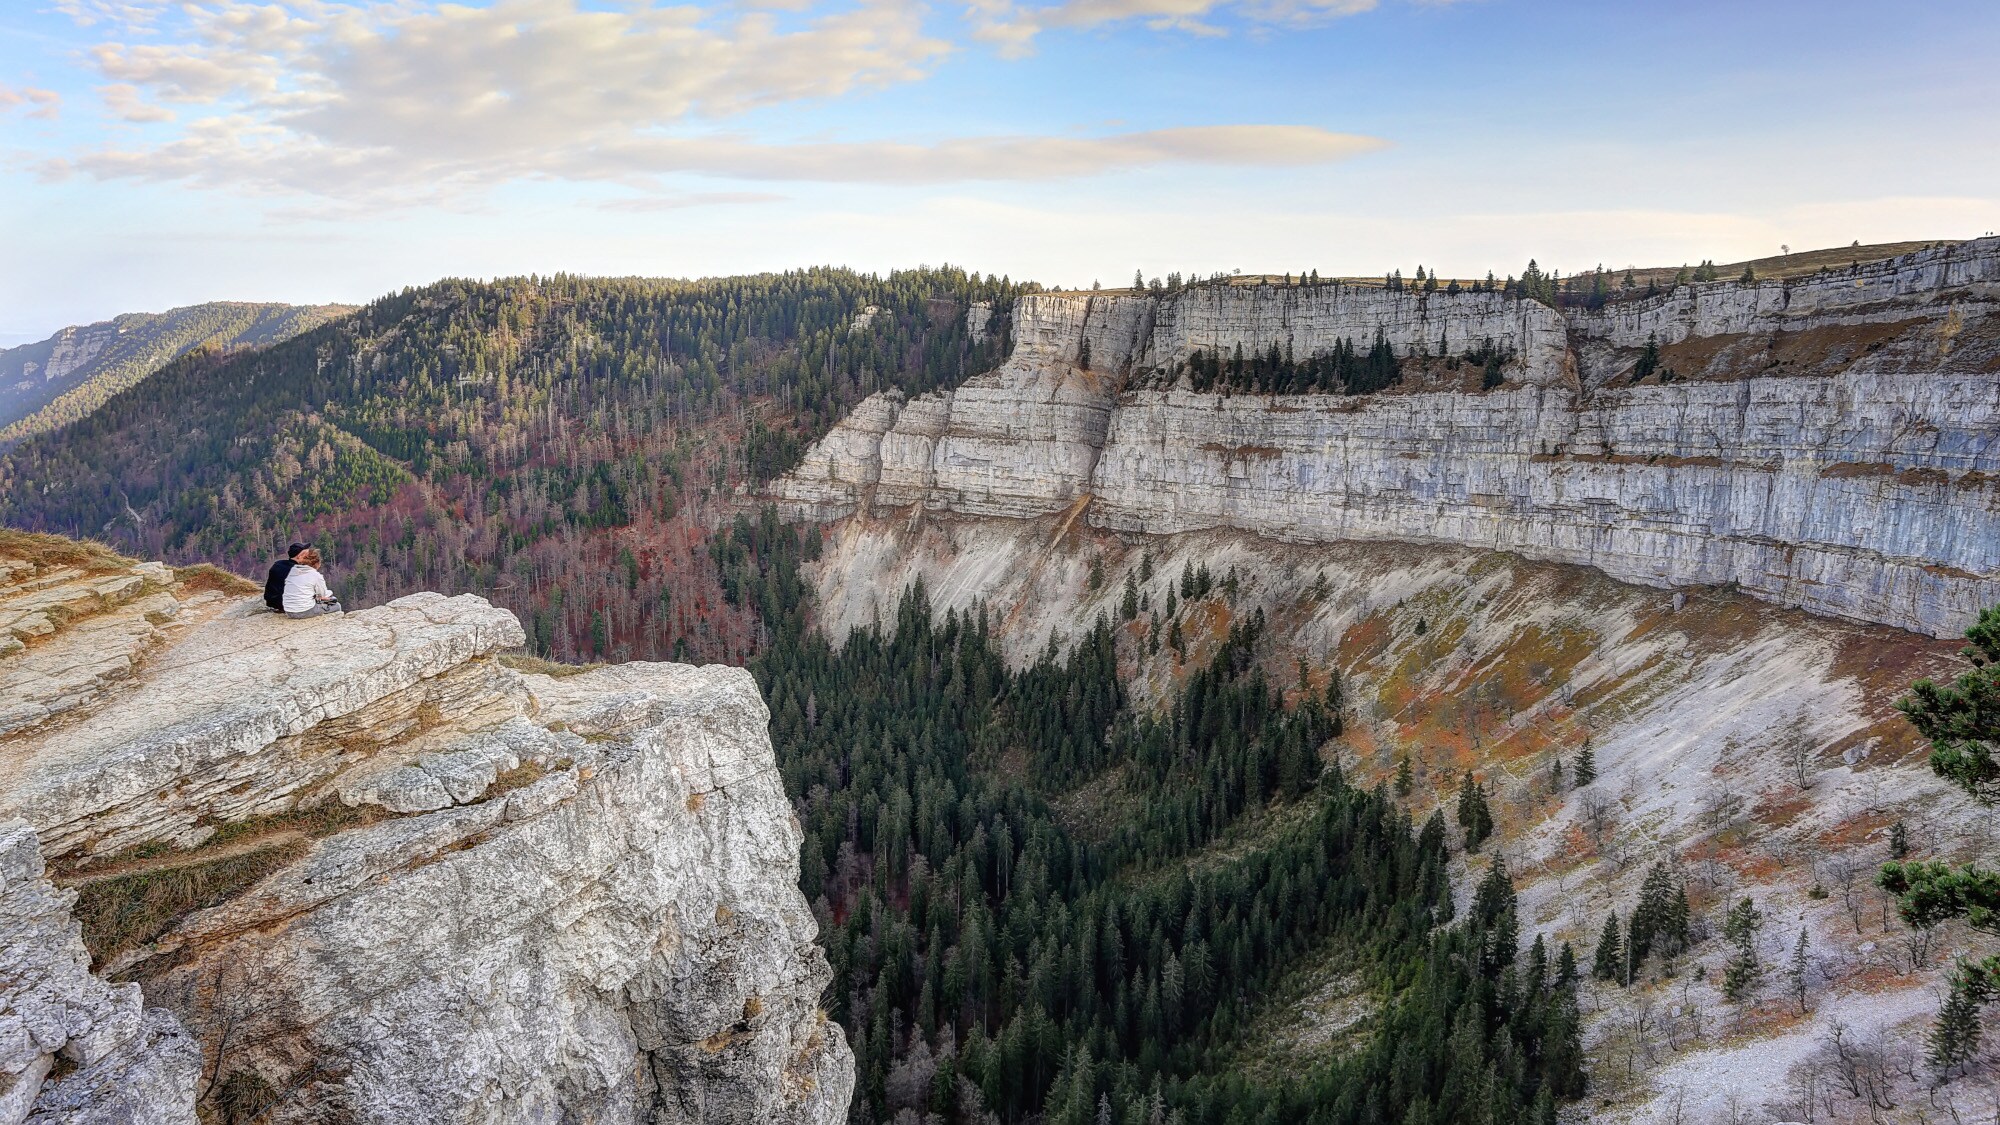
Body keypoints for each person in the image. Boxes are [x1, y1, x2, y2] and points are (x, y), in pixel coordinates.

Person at [282, 548, 342, 618]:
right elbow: (322, 595)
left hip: (288, 611)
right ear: (317, 563)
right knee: (337, 605)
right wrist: (330, 593)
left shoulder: (293, 571)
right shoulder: (316, 575)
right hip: (304, 611)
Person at [263, 542, 309, 612]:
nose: (308, 557)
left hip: (271, 601)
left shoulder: (278, 564)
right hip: (285, 604)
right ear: (299, 556)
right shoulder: (297, 570)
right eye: (306, 555)